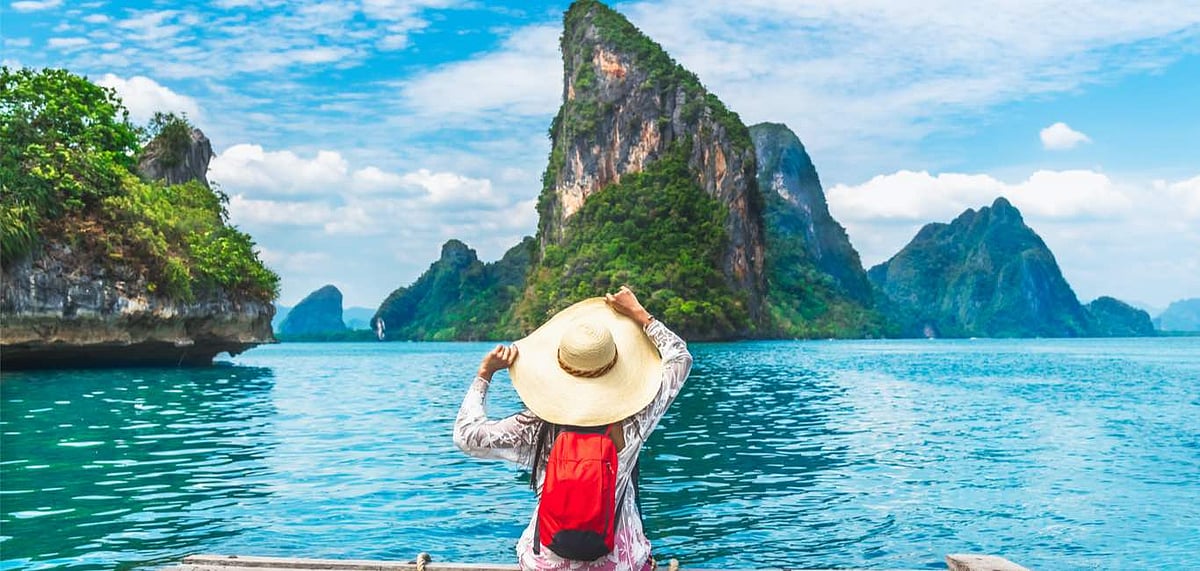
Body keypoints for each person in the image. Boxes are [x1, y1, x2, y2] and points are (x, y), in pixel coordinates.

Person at [453, 286, 693, 571]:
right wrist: (639, 314)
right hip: (616, 565)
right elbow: (680, 358)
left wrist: (485, 374)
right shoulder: (634, 420)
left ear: (559, 369)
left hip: (544, 564)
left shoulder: (535, 426)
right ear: (614, 367)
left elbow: (466, 436)